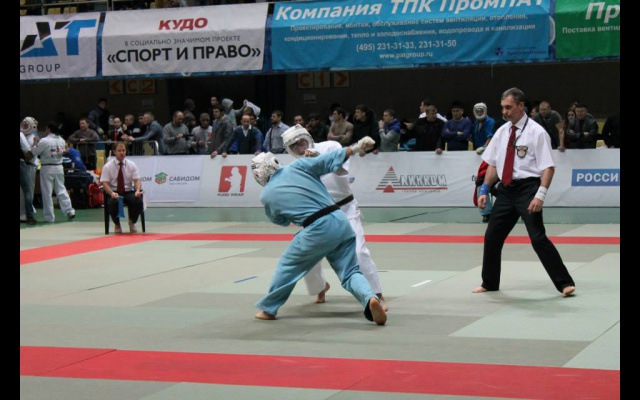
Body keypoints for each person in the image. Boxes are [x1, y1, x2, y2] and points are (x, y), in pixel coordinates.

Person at [251, 136, 387, 325]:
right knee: (350, 271)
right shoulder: (298, 166)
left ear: (259, 175)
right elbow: (328, 160)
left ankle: (268, 309)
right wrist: (355, 148)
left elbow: (281, 221)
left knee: (288, 266)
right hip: (340, 221)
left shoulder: (267, 195)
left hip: (317, 227)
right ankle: (369, 298)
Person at [473, 87, 576, 298]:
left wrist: (540, 195)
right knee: (492, 237)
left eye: (509, 107)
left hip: (528, 189)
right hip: (505, 191)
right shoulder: (502, 132)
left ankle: (564, 283)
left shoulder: (537, 132)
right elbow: (493, 164)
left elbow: (548, 167)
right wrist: (484, 189)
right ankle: (489, 282)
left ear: (521, 106)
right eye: (503, 107)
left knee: (537, 238)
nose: (505, 112)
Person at [282, 125, 388, 310]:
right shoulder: (296, 166)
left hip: (345, 208)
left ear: (308, 138)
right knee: (305, 253)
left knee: (359, 252)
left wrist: (319, 158)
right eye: (295, 146)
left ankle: (377, 295)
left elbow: (340, 170)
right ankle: (320, 287)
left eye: (301, 142)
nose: (300, 147)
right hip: (319, 214)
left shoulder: (330, 146)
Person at [30, 121, 76, 223]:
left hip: (47, 168)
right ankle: (69, 211)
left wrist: (35, 143)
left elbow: (34, 152)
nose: (45, 131)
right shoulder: (62, 140)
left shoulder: (44, 141)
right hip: (59, 167)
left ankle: (49, 217)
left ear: (49, 129)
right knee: (61, 190)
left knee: (47, 193)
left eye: (46, 129)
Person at [100, 142, 144, 234]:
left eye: (123, 150)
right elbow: (105, 183)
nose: (122, 153)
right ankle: (117, 224)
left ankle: (132, 222)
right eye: (119, 151)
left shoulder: (132, 165)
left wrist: (137, 190)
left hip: (128, 191)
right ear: (114, 152)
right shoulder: (108, 166)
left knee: (138, 201)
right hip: (114, 191)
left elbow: (137, 180)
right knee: (113, 202)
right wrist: (111, 193)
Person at [20, 129, 38, 225]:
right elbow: (28, 153)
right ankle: (29, 216)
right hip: (21, 163)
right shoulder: (20, 135)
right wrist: (35, 143)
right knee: (27, 190)